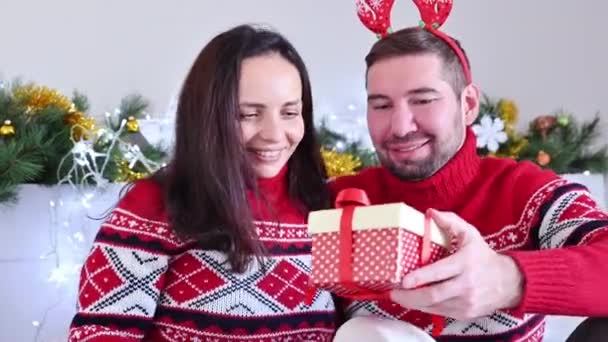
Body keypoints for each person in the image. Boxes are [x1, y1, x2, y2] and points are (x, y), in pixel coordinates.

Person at [330, 26, 608, 341]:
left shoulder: (526, 190)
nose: (400, 126)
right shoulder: (338, 200)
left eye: (423, 100)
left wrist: (510, 279)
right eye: (381, 105)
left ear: (469, 104)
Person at [68, 24, 338, 341]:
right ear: (208, 116)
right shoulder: (156, 205)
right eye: (247, 115)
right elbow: (100, 331)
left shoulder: (325, 205)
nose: (275, 134)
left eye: (290, 112)